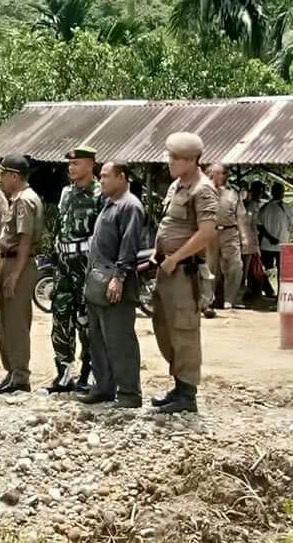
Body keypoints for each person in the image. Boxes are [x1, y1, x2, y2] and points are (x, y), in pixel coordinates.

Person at [150, 132, 217, 414]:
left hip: (184, 272)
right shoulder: (177, 185)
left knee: (184, 330)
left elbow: (207, 233)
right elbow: (169, 223)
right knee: (163, 327)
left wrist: (175, 257)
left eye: (176, 158)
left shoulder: (203, 189)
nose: (170, 162)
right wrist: (158, 251)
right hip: (166, 268)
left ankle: (187, 394)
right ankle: (178, 385)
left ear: (192, 160)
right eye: (170, 156)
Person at [79, 161, 145, 408]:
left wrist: (119, 277)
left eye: (106, 176)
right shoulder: (109, 203)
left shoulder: (130, 206)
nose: (101, 181)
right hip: (97, 283)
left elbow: (129, 247)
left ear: (122, 177)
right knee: (97, 338)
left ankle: (129, 392)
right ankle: (104, 387)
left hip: (116, 283)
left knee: (120, 340)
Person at [0, 154, 44, 394]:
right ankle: (12, 372)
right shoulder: (19, 199)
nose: (0, 179)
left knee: (15, 323)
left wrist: (14, 274)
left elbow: (25, 240)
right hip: (8, 262)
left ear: (14, 176)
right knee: (6, 321)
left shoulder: (24, 201)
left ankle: (20, 375)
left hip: (16, 264)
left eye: (2, 174)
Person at [48, 146, 102, 394]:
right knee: (60, 318)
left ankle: (89, 373)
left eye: (77, 163)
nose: (71, 168)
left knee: (86, 321)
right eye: (69, 164)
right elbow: (59, 226)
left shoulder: (100, 194)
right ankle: (63, 373)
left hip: (86, 265)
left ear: (91, 165)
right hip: (64, 266)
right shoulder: (65, 193)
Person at [200, 163, 247, 316]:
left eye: (225, 173)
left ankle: (229, 299)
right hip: (209, 233)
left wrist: (244, 236)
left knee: (235, 265)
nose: (223, 176)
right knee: (209, 267)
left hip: (229, 232)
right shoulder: (203, 191)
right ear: (211, 174)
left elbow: (240, 216)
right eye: (220, 173)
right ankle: (208, 300)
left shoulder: (233, 194)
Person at [258, 183, 293, 299]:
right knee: (275, 271)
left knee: (270, 270)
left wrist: (269, 237)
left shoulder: (265, 208)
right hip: (277, 244)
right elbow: (260, 226)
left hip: (272, 245)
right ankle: (274, 293)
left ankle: (275, 293)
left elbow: (260, 227)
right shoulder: (284, 208)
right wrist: (271, 237)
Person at [242, 181, 266, 298]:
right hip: (249, 239)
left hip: (253, 237)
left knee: (252, 265)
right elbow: (249, 224)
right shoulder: (251, 206)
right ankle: (244, 288)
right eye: (259, 192)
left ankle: (252, 289)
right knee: (247, 267)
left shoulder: (256, 205)